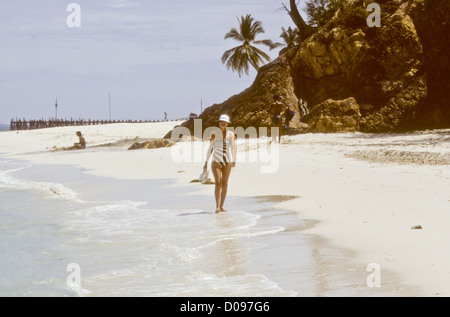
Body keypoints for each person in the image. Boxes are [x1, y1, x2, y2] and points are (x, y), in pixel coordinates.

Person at [203, 114, 236, 214]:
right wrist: (206, 162)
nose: (223, 123)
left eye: (225, 122)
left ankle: (222, 206)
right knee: (218, 183)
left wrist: (234, 158)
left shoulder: (231, 134)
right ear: (219, 122)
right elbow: (210, 149)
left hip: (227, 161)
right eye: (221, 122)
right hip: (216, 161)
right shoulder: (213, 133)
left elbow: (233, 147)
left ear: (227, 124)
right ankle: (217, 206)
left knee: (225, 184)